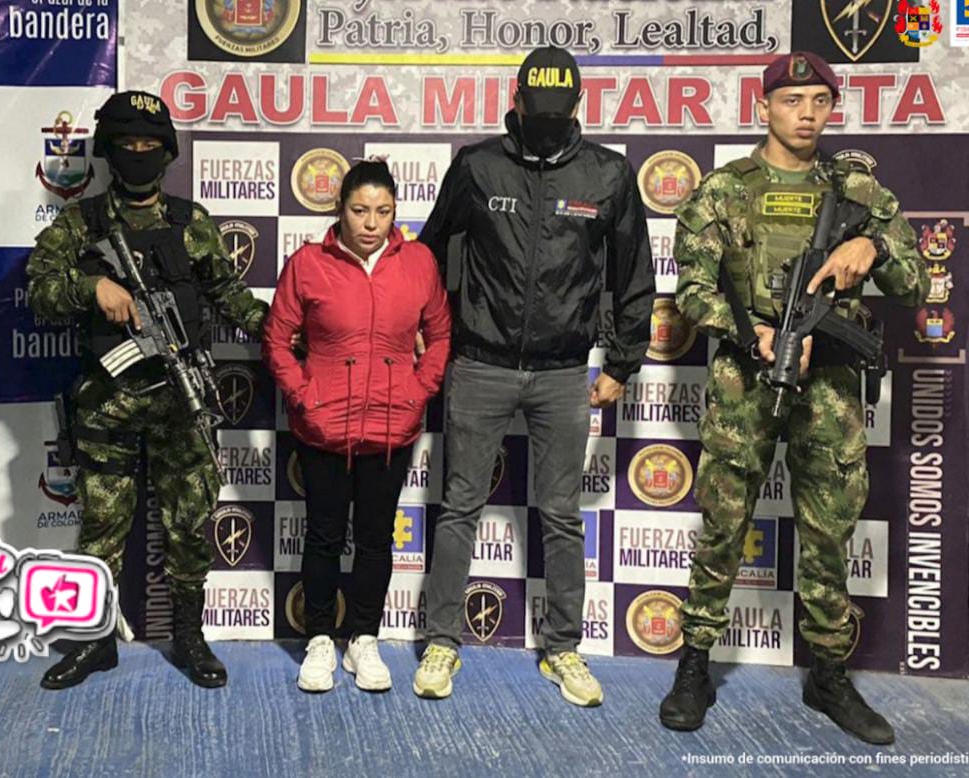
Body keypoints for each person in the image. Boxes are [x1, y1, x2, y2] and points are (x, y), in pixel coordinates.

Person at [659, 52, 929, 745]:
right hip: (746, 382)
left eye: (819, 101)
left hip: (832, 388)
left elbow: (917, 285)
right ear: (764, 108)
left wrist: (872, 249)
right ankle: (695, 663)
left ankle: (828, 674)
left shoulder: (858, 190)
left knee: (829, 536)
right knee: (723, 525)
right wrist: (750, 334)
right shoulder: (725, 189)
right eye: (790, 100)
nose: (806, 114)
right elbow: (691, 290)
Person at [415, 45, 655, 705]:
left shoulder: (608, 174)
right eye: (536, 109)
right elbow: (428, 255)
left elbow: (634, 274)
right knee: (459, 507)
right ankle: (441, 640)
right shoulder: (477, 165)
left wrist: (624, 362)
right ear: (515, 101)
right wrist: (432, 333)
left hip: (563, 373)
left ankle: (563, 647)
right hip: (480, 365)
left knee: (561, 515)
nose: (546, 121)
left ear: (579, 105)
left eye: (559, 111)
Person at [27, 90, 269, 690]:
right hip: (108, 403)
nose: (139, 154)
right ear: (109, 152)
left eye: (149, 144)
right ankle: (94, 641)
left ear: (166, 152)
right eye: (127, 144)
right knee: (102, 525)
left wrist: (287, 331)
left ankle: (189, 636)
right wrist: (92, 290)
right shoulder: (81, 224)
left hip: (182, 404)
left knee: (189, 521)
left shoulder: (191, 223)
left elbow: (229, 297)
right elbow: (38, 292)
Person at [263, 160, 451, 693]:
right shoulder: (307, 264)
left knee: (374, 539)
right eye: (359, 210)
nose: (371, 223)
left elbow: (440, 335)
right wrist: (304, 396)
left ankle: (364, 639)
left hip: (392, 428)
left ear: (395, 213)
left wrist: (418, 390)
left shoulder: (418, 262)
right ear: (340, 209)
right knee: (323, 536)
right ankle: (320, 639)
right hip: (323, 428)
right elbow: (276, 339)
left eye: (383, 212)